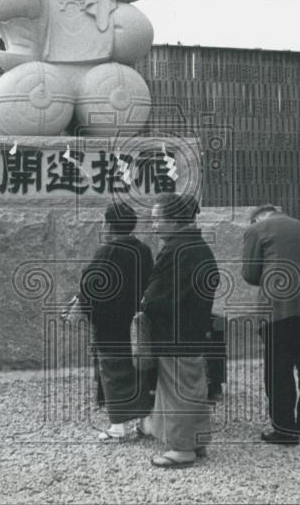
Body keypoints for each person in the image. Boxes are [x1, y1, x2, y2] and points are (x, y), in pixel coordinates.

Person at [138, 194, 219, 468]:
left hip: (175, 330)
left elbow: (159, 295)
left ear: (174, 220)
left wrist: (146, 301)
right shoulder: (197, 246)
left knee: (177, 389)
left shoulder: (177, 250)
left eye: (157, 219)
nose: (153, 225)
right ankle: (196, 440)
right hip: (192, 328)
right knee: (191, 386)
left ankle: (182, 448)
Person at [241, 204, 300, 445]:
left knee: (279, 371)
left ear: (257, 218)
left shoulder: (257, 229)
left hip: (278, 309)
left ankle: (285, 429)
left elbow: (249, 272)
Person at [76, 203, 155, 441]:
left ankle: (118, 425)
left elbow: (90, 288)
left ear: (108, 224)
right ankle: (145, 422)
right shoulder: (143, 250)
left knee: (112, 371)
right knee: (139, 369)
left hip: (110, 322)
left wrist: (85, 307)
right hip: (137, 320)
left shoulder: (106, 251)